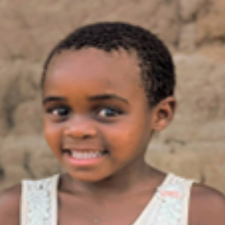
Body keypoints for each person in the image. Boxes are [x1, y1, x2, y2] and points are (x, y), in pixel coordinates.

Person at [0, 22, 225, 225]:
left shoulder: (201, 212)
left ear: (161, 115)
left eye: (108, 111)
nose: (77, 130)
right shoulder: (16, 211)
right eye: (60, 110)